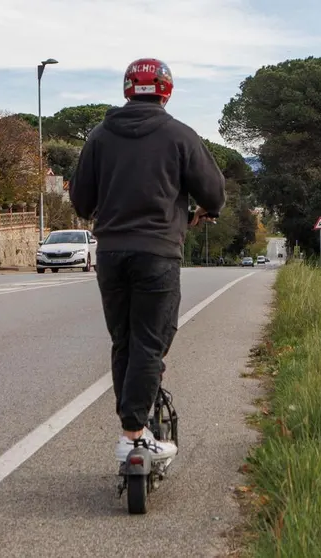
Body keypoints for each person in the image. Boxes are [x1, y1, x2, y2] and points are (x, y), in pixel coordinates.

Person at [69, 58, 226, 464]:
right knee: (150, 342)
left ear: (126, 90)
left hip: (112, 255)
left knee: (124, 340)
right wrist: (202, 209)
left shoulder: (99, 137)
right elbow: (214, 192)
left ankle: (132, 421)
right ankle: (134, 435)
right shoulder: (179, 135)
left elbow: (82, 201)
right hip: (157, 252)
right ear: (165, 91)